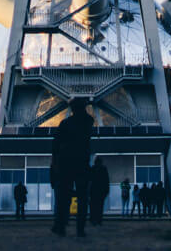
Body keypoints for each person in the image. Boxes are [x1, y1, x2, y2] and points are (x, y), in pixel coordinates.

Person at [50, 97, 94, 237]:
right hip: (81, 164)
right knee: (82, 198)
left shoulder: (65, 124)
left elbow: (55, 146)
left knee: (64, 198)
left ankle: (60, 226)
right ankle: (79, 229)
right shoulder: (87, 122)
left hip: (66, 165)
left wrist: (55, 163)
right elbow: (89, 119)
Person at [89, 156, 110, 225]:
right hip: (101, 191)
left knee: (93, 206)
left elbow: (89, 180)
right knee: (100, 206)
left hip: (94, 190)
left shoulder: (92, 169)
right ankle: (98, 220)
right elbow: (106, 181)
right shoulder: (104, 169)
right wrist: (106, 191)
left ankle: (93, 220)